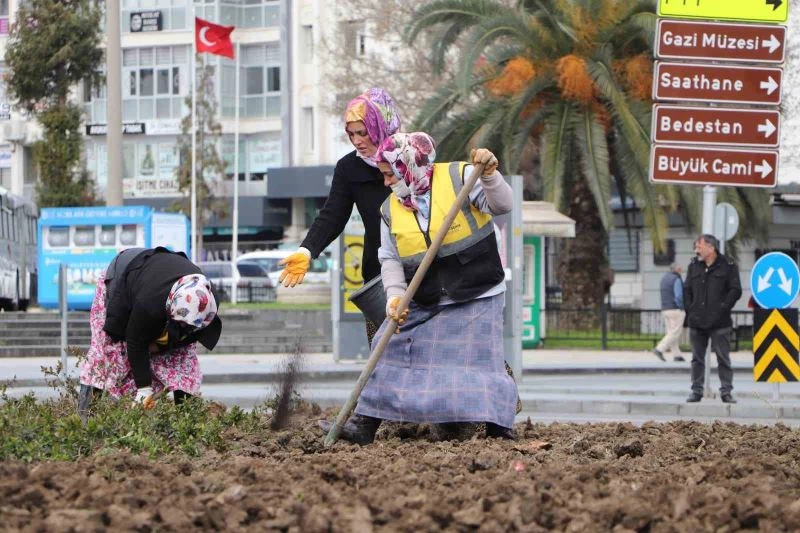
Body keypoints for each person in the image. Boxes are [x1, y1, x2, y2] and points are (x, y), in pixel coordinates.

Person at [320, 132, 518, 444]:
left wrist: (491, 175)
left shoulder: (461, 177)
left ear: (407, 166)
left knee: (483, 362)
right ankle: (363, 424)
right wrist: (395, 295)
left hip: (477, 290)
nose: (386, 182)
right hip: (425, 296)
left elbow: (502, 205)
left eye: (389, 174)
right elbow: (389, 257)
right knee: (388, 344)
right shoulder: (391, 209)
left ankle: (499, 430)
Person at [277, 88, 400, 344]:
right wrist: (306, 250)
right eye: (351, 134)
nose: (356, 141)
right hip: (378, 278)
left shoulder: (412, 156)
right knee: (384, 357)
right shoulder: (348, 167)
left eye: (362, 132)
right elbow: (333, 214)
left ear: (380, 126)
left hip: (422, 272)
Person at [78, 247, 223, 422]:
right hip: (123, 276)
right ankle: (84, 420)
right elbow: (135, 341)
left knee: (181, 360)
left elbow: (188, 336)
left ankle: (187, 425)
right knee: (109, 352)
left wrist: (162, 343)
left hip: (156, 280)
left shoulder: (207, 302)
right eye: (179, 323)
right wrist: (144, 389)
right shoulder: (150, 302)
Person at [683, 234, 742, 404]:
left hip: (720, 322)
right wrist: (690, 308)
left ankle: (726, 391)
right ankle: (696, 391)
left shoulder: (728, 265)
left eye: (699, 247)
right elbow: (687, 289)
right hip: (697, 321)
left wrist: (724, 307)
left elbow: (735, 290)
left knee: (723, 358)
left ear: (711, 248)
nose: (697, 250)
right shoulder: (694, 266)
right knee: (697, 359)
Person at [653, 263, 686, 362]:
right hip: (675, 309)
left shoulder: (664, 279)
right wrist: (682, 307)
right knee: (675, 332)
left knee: (671, 332)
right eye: (680, 269)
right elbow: (679, 296)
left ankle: (677, 355)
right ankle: (659, 349)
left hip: (665, 309)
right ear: (676, 269)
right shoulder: (676, 279)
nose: (681, 271)